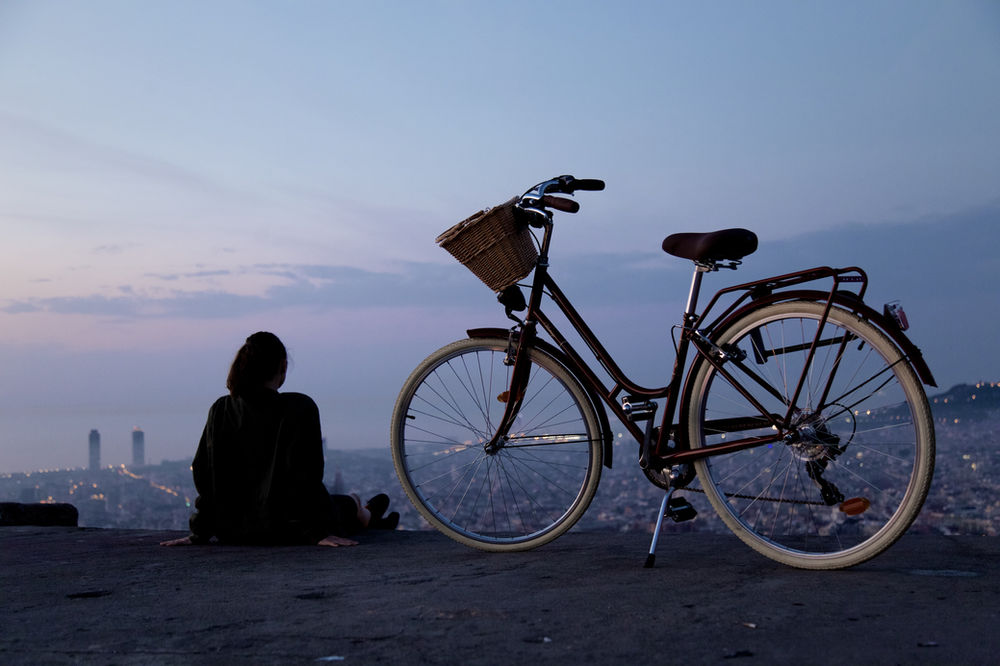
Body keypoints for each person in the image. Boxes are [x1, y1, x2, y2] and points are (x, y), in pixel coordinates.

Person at [160, 332, 397, 548]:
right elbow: (307, 477)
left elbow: (205, 475)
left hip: (233, 531)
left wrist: (199, 533)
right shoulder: (299, 407)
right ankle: (364, 513)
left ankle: (366, 512)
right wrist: (316, 534)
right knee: (346, 504)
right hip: (288, 529)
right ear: (283, 367)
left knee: (343, 503)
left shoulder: (221, 409)